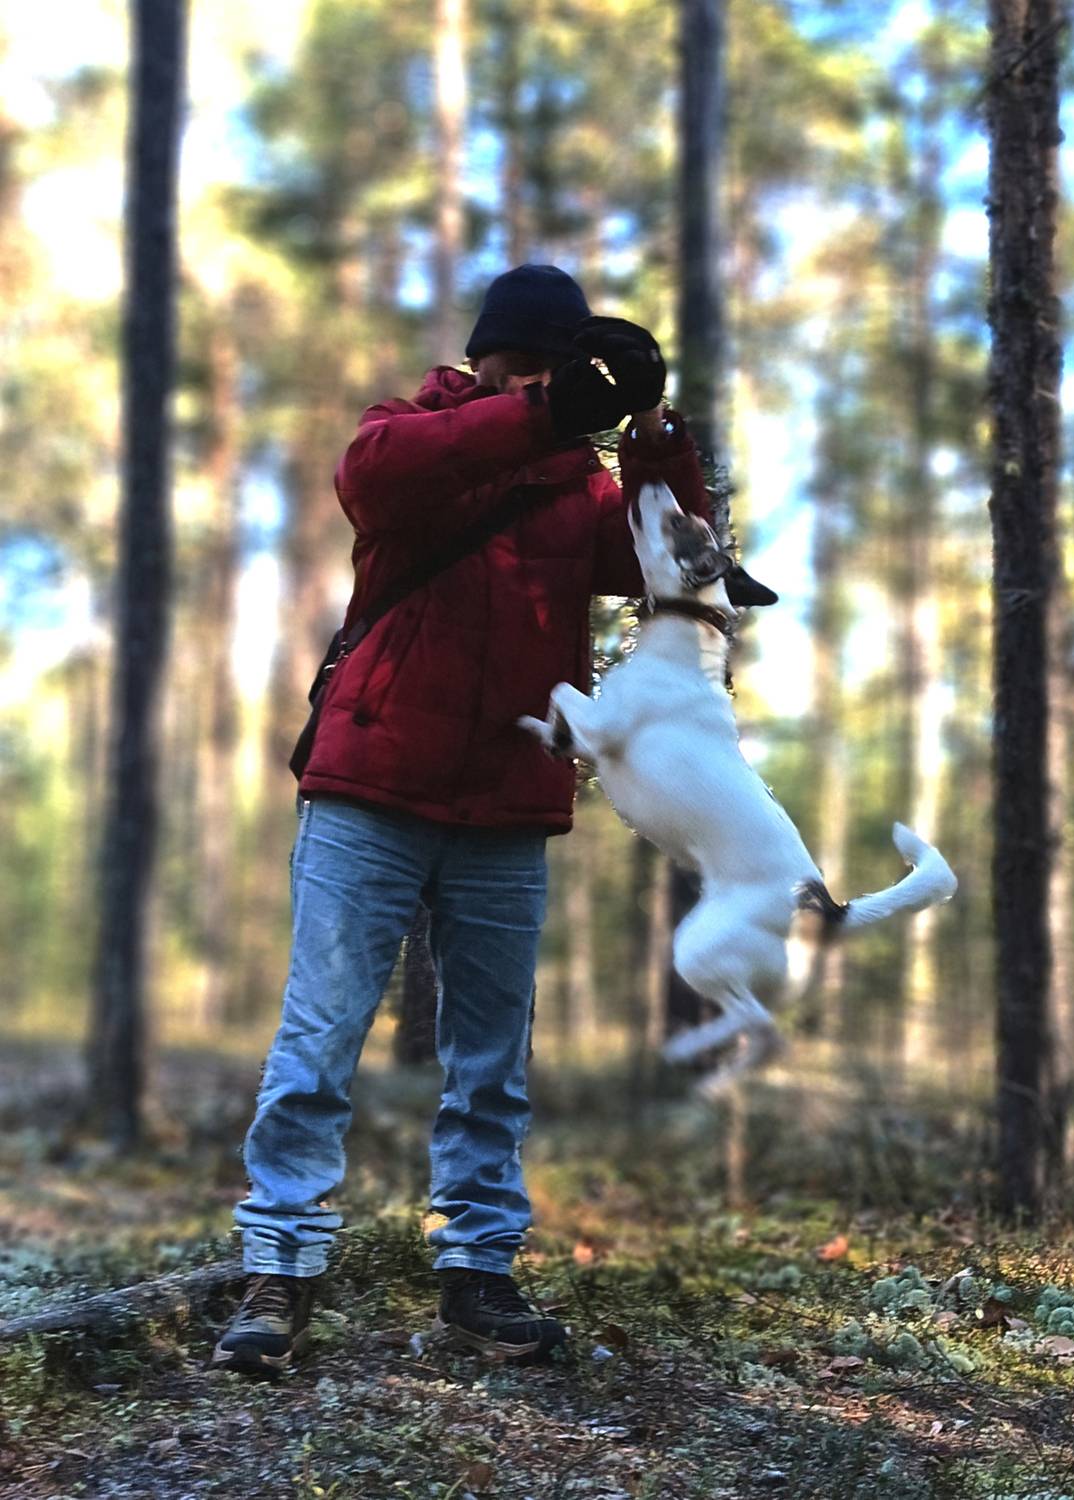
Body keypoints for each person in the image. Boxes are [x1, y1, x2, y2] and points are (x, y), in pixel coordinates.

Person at [212, 264, 710, 1375]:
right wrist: (546, 412)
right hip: (368, 787)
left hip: (506, 800)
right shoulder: (406, 432)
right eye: (516, 367)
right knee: (317, 1042)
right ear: (479, 359)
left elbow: (670, 565)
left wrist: (655, 437)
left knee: (491, 1062)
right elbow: (377, 480)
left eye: (552, 372)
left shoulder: (581, 485)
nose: (531, 385)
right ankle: (277, 1272)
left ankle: (478, 1275)